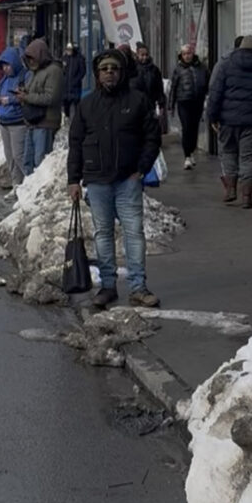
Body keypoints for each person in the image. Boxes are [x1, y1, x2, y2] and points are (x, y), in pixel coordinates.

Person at [66, 50, 162, 309]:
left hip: (127, 179)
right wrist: (73, 179)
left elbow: (152, 138)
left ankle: (138, 287)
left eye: (114, 68)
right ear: (97, 74)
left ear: (121, 73)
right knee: (103, 233)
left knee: (134, 232)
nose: (110, 72)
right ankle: (107, 286)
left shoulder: (138, 100)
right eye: (105, 68)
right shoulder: (87, 104)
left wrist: (141, 168)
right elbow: (75, 143)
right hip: (96, 180)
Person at [206, 35, 252, 207]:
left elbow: (215, 93)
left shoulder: (226, 65)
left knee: (228, 152)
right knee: (248, 157)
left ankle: (230, 190)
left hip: (227, 121)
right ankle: (247, 197)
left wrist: (212, 117)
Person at [18, 38, 66, 177]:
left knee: (40, 161)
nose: (30, 61)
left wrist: (27, 97)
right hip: (32, 121)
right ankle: (27, 190)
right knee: (28, 159)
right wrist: (23, 93)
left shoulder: (54, 71)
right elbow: (32, 91)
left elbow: (50, 98)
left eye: (32, 58)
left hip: (45, 121)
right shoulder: (35, 71)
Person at [0, 46, 29, 184]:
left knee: (19, 155)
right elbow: (0, 94)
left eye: (7, 65)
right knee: (10, 157)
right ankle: (16, 185)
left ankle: (30, 184)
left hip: (17, 122)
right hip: (4, 122)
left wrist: (10, 100)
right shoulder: (4, 80)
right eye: (3, 66)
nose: (5, 69)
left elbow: (25, 96)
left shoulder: (24, 76)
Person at [169, 45, 209, 170]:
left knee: (194, 128)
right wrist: (171, 105)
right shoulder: (178, 69)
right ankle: (187, 155)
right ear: (181, 55)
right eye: (185, 54)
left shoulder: (202, 68)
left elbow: (208, 82)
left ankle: (191, 152)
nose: (187, 56)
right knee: (186, 127)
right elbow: (173, 87)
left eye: (189, 53)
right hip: (183, 101)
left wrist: (208, 97)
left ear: (193, 54)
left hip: (197, 101)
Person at [131, 44, 165, 123]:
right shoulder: (132, 69)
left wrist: (161, 104)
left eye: (146, 55)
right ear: (137, 55)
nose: (145, 57)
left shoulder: (154, 70)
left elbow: (159, 88)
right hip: (136, 105)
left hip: (150, 104)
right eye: (142, 55)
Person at [61, 43, 87, 118]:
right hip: (66, 86)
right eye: (67, 50)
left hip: (75, 86)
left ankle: (77, 120)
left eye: (70, 50)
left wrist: (76, 80)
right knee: (66, 104)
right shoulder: (65, 58)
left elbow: (82, 71)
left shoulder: (79, 58)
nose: (68, 51)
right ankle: (67, 118)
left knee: (76, 105)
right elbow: (62, 70)